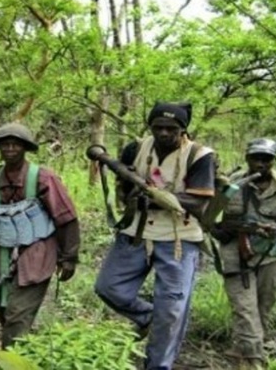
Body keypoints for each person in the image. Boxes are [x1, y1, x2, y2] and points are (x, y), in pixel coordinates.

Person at [94, 102, 216, 369]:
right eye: (157, 127)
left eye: (171, 129)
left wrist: (154, 196)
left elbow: (199, 204)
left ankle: (158, 366)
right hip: (136, 231)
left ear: (183, 129)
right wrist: (131, 191)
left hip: (179, 238)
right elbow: (123, 188)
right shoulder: (136, 149)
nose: (163, 133)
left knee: (171, 310)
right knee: (108, 287)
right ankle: (148, 315)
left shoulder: (200, 155)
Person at [0, 122, 80, 349]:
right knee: (2, 310)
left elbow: (66, 218)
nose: (10, 149)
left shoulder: (43, 178)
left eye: (15, 144)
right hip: (2, 253)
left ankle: (11, 359)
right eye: (5, 144)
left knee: (17, 316)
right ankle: (15, 355)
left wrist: (69, 257)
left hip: (37, 253)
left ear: (25, 148)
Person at [212, 138, 276, 369]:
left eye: (266, 159)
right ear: (247, 158)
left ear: (274, 160)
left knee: (263, 305)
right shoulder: (232, 184)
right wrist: (221, 231)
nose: (261, 164)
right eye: (256, 158)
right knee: (245, 307)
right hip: (236, 252)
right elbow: (212, 216)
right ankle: (253, 360)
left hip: (271, 253)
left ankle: (246, 346)